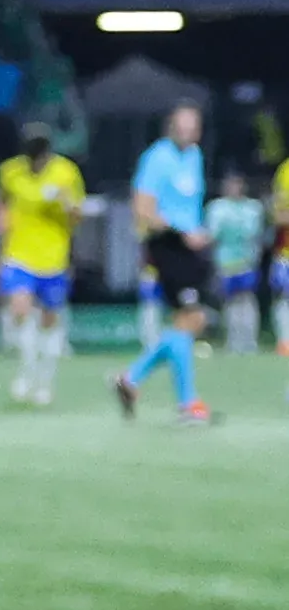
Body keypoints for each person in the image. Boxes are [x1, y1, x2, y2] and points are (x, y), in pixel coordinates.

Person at [114, 102, 212, 426]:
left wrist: (197, 232)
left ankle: (130, 379)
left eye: (192, 126)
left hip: (189, 248)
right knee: (189, 319)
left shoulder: (194, 156)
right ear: (171, 126)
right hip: (167, 246)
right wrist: (182, 232)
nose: (187, 132)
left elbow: (190, 204)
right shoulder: (157, 158)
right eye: (182, 126)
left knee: (190, 322)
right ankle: (188, 404)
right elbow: (142, 210)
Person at [0, 125, 86, 408]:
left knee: (49, 321)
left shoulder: (66, 173)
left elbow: (78, 216)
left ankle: (45, 380)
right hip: (20, 254)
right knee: (19, 309)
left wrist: (68, 205)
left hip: (53, 257)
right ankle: (25, 373)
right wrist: (1, 219)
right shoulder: (10, 172)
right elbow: (1, 200)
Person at [206, 165, 269, 359]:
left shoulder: (253, 208)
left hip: (247, 262)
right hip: (225, 263)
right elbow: (211, 235)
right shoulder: (217, 208)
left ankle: (249, 342)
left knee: (247, 301)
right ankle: (233, 342)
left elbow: (258, 236)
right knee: (230, 303)